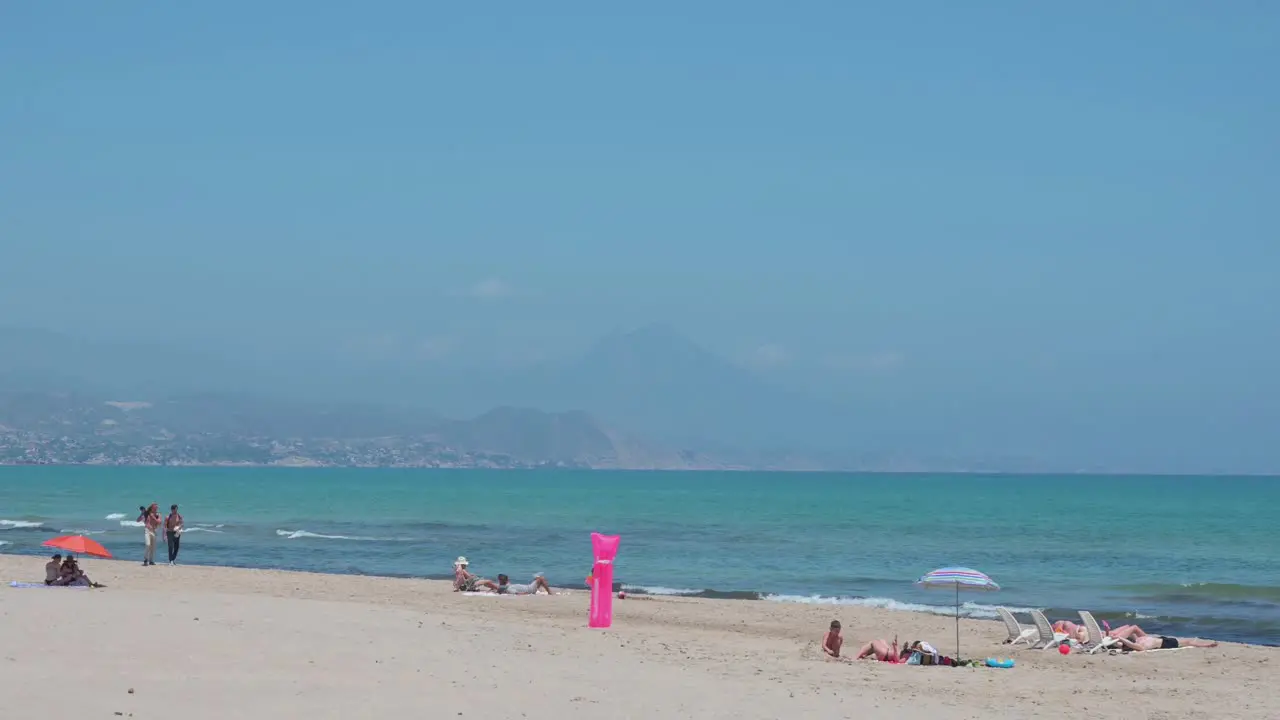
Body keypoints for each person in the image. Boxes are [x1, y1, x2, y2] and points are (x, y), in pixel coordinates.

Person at [1115, 634, 1218, 652]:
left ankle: (1200, 643)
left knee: (1187, 641)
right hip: (1166, 643)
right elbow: (1130, 645)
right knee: (1188, 642)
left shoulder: (1137, 641)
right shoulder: (1139, 646)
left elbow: (1128, 642)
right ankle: (1207, 645)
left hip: (1162, 639)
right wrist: (1120, 638)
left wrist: (1116, 638)